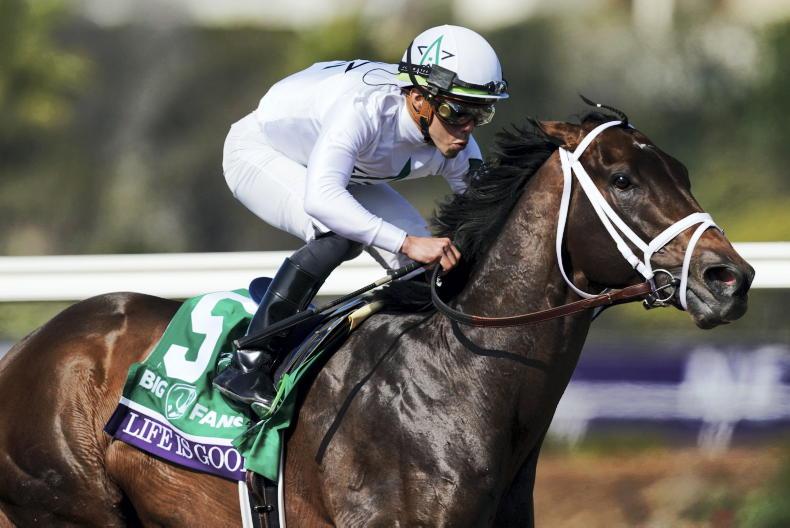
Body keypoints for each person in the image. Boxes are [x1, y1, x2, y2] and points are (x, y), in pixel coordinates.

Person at [214, 25, 509, 409]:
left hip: (342, 171)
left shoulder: (456, 140)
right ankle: (248, 362)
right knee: (340, 234)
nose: (467, 129)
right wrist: (407, 242)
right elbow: (322, 199)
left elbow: (490, 218)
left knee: (424, 272)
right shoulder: (364, 111)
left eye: (480, 114)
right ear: (418, 98)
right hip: (263, 152)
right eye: (456, 111)